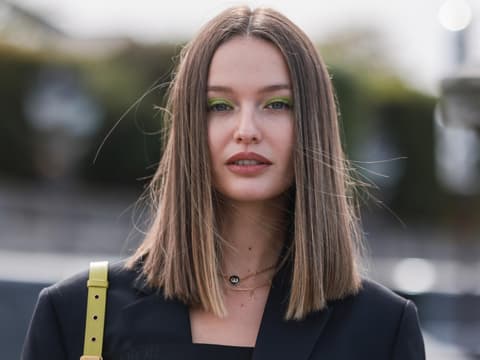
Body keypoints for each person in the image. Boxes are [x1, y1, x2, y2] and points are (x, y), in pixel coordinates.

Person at [22, 6, 425, 360]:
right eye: (220, 106)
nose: (246, 129)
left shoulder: (382, 328)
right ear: (190, 127)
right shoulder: (78, 313)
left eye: (277, 104)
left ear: (313, 126)